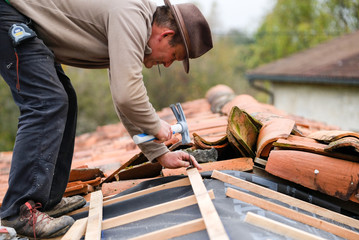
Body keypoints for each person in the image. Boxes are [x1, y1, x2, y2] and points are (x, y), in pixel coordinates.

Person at [0, 0, 213, 238]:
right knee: (47, 100)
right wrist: (155, 124)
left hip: (22, 18)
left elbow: (124, 95)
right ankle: (20, 209)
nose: (166, 63)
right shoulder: (131, 17)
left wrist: (160, 153)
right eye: (173, 56)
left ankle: (46, 200)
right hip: (10, 12)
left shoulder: (133, 25)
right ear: (166, 34)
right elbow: (127, 95)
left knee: (64, 98)